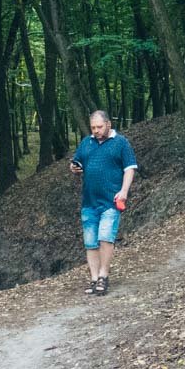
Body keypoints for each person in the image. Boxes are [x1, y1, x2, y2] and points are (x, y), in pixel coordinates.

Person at [69, 110, 137, 296]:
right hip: (89, 201)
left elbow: (130, 168)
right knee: (90, 242)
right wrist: (74, 167)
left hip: (111, 200)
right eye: (93, 127)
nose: (96, 130)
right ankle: (94, 279)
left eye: (99, 127)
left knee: (105, 237)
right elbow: (76, 162)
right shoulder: (86, 142)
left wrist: (124, 191)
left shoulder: (121, 142)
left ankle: (103, 276)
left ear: (108, 124)